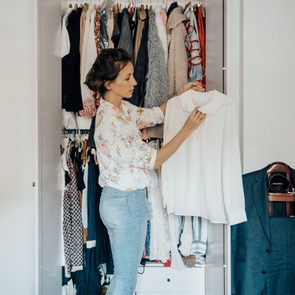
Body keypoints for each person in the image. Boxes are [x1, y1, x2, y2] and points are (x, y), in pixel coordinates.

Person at [85, 48, 206, 295]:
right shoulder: (110, 124)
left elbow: (154, 114)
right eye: (128, 78)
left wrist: (181, 95)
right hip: (125, 203)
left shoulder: (121, 109)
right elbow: (156, 159)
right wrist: (188, 128)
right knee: (125, 281)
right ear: (109, 83)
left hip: (123, 201)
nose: (135, 81)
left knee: (122, 277)